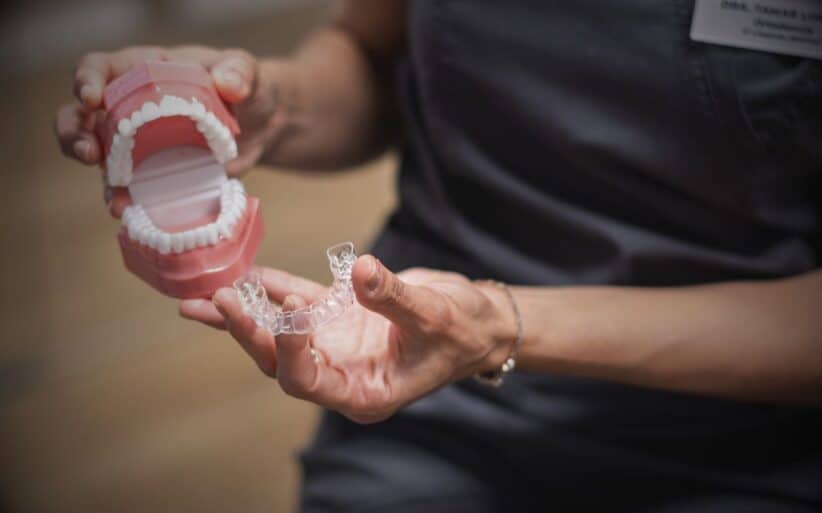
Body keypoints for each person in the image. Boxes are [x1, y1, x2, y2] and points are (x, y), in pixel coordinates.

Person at [55, 1, 822, 511]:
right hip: (427, 397)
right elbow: (372, 48)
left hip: (744, 444)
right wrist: (273, 106)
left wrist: (502, 324)